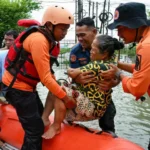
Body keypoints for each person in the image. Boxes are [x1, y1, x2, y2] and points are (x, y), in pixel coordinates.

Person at [2, 5, 75, 150]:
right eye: (62, 29)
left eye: (67, 29)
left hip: (26, 88)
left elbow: (48, 72)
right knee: (34, 130)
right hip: (16, 89)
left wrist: (60, 89)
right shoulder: (39, 40)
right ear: (49, 25)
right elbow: (46, 78)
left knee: (41, 119)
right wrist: (66, 99)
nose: (65, 33)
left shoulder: (48, 40)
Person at [41, 34, 124, 139]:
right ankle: (46, 119)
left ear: (104, 54)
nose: (91, 51)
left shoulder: (98, 65)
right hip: (95, 105)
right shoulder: (110, 63)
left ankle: (55, 125)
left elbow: (72, 71)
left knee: (58, 87)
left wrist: (71, 73)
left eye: (93, 49)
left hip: (93, 108)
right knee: (59, 86)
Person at [99, 2, 150, 149]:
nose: (118, 34)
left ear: (134, 25)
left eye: (121, 28)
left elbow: (137, 88)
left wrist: (118, 73)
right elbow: (143, 70)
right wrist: (119, 65)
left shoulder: (146, 45)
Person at [69, 17, 119, 133]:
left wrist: (114, 82)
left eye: (83, 35)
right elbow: (72, 74)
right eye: (78, 36)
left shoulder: (106, 45)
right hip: (84, 91)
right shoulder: (75, 52)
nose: (80, 39)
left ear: (94, 32)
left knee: (109, 112)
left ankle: (109, 135)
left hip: (102, 93)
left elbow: (116, 72)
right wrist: (77, 79)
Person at [0, 30, 19, 103]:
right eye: (5, 39)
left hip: (15, 84)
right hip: (3, 82)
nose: (7, 42)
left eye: (10, 40)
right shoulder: (1, 52)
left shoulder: (20, 52)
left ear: (16, 40)